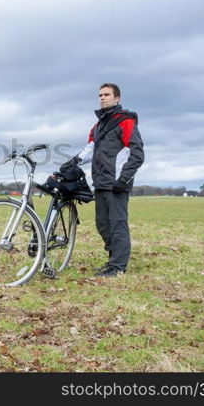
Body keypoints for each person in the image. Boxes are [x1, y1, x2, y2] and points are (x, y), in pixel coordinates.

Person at [63, 83, 144, 277]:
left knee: (117, 225)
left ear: (117, 98)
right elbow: (91, 149)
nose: (102, 98)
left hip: (116, 185)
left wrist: (122, 180)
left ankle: (118, 267)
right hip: (99, 184)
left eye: (107, 94)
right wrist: (74, 161)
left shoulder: (125, 121)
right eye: (100, 95)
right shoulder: (98, 126)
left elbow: (137, 154)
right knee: (103, 225)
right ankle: (112, 261)